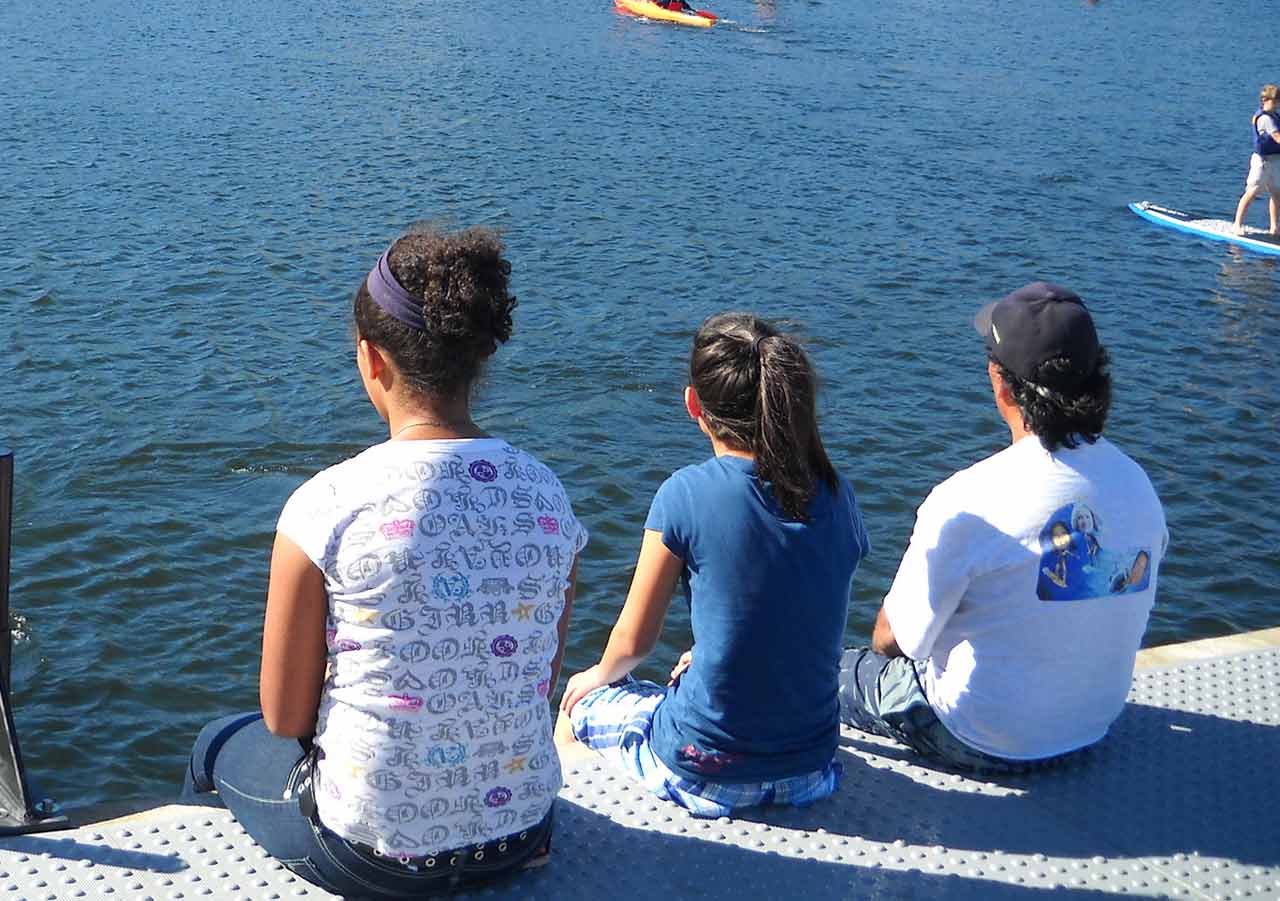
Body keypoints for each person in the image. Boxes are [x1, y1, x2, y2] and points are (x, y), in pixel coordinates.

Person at [185, 228, 585, 895]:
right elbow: (534, 676)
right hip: (521, 834)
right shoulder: (546, 492)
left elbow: (285, 718)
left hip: (371, 856)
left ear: (372, 360)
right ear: (477, 360)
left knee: (214, 744)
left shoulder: (326, 504)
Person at [840, 282, 1167, 775]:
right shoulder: (1139, 486)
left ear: (1001, 383)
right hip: (1091, 730)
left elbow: (894, 642)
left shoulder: (970, 497)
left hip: (976, 735)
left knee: (824, 666)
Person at [562, 314, 866, 817]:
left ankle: (577, 821)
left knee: (578, 705)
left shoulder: (684, 494)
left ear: (692, 405)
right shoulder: (837, 492)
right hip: (812, 770)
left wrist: (594, 676)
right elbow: (794, 605)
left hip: (707, 769)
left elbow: (633, 646)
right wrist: (705, 656)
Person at [1232, 84, 1280, 236]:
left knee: (1276, 194)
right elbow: (1279, 139)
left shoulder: (1276, 115)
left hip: (1274, 161)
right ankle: (1237, 225)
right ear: (1264, 100)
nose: (1277, 104)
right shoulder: (1265, 119)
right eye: (1274, 101)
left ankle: (1274, 228)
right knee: (1252, 192)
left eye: (1278, 101)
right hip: (1261, 162)